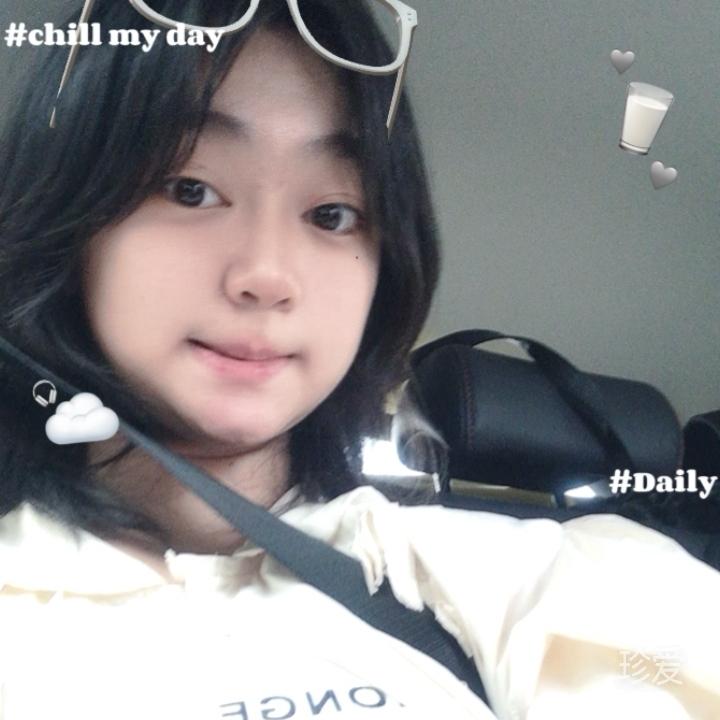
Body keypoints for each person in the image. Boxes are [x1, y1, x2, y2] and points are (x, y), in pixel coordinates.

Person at [0, 1, 718, 718]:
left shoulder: (541, 580)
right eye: (190, 189)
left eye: (332, 214)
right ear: (69, 220)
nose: (268, 275)